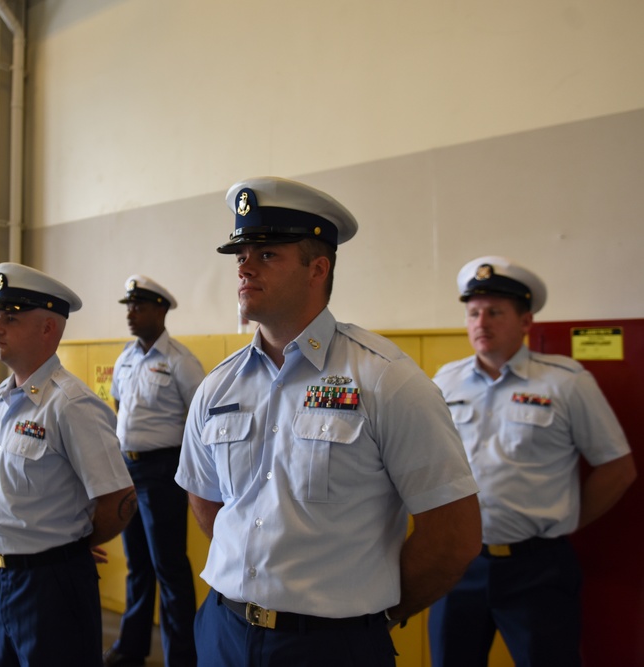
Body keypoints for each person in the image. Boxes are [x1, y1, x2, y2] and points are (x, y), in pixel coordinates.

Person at [175, 177, 483, 667]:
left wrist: (367, 616)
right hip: (223, 631)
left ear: (318, 268)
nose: (245, 267)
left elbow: (454, 536)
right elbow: (206, 499)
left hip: (332, 646)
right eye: (241, 255)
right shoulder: (217, 386)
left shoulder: (386, 380)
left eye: (267, 255)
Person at [427, 256, 637, 667]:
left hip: (536, 569)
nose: (481, 322)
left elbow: (618, 468)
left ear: (526, 322)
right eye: (473, 313)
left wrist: (565, 519)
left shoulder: (565, 382)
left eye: (495, 312)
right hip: (459, 564)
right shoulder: (444, 381)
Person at [0, 263, 137, 667]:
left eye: (10, 318)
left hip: (49, 585)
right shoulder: (1, 399)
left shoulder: (71, 403)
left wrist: (72, 547)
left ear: (48, 329)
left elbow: (119, 498)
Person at [104, 275, 205, 667]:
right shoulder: (127, 358)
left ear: (161, 310)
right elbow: (117, 403)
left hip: (164, 472)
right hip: (128, 469)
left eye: (139, 306)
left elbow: (201, 417)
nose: (130, 313)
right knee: (138, 565)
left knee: (169, 567)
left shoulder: (179, 361)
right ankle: (132, 646)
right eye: (128, 306)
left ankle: (183, 657)